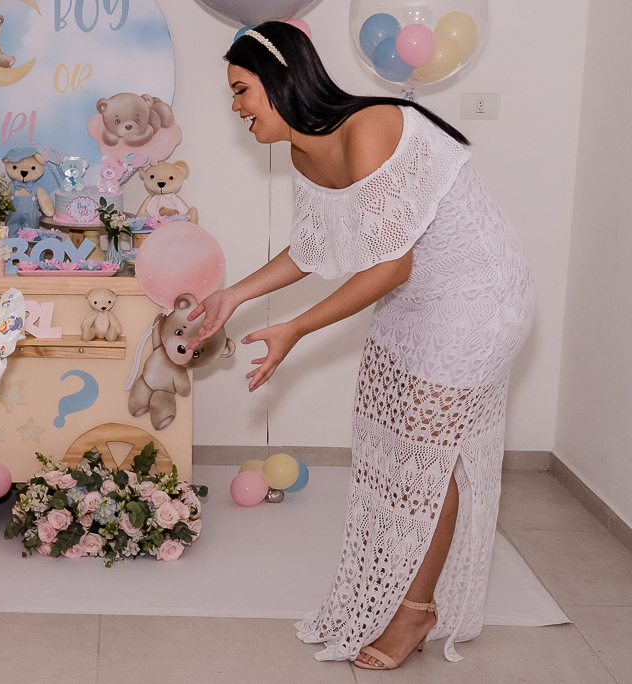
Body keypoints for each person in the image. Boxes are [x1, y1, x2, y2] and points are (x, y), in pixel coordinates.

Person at [187, 22, 534, 670]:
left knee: (424, 456)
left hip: (477, 295)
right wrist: (233, 296)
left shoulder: (370, 125)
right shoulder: (304, 154)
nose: (236, 108)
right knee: (404, 450)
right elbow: (314, 249)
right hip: (417, 299)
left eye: (241, 90)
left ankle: (416, 610)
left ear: (281, 80)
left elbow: (391, 265)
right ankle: (399, 592)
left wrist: (296, 328)